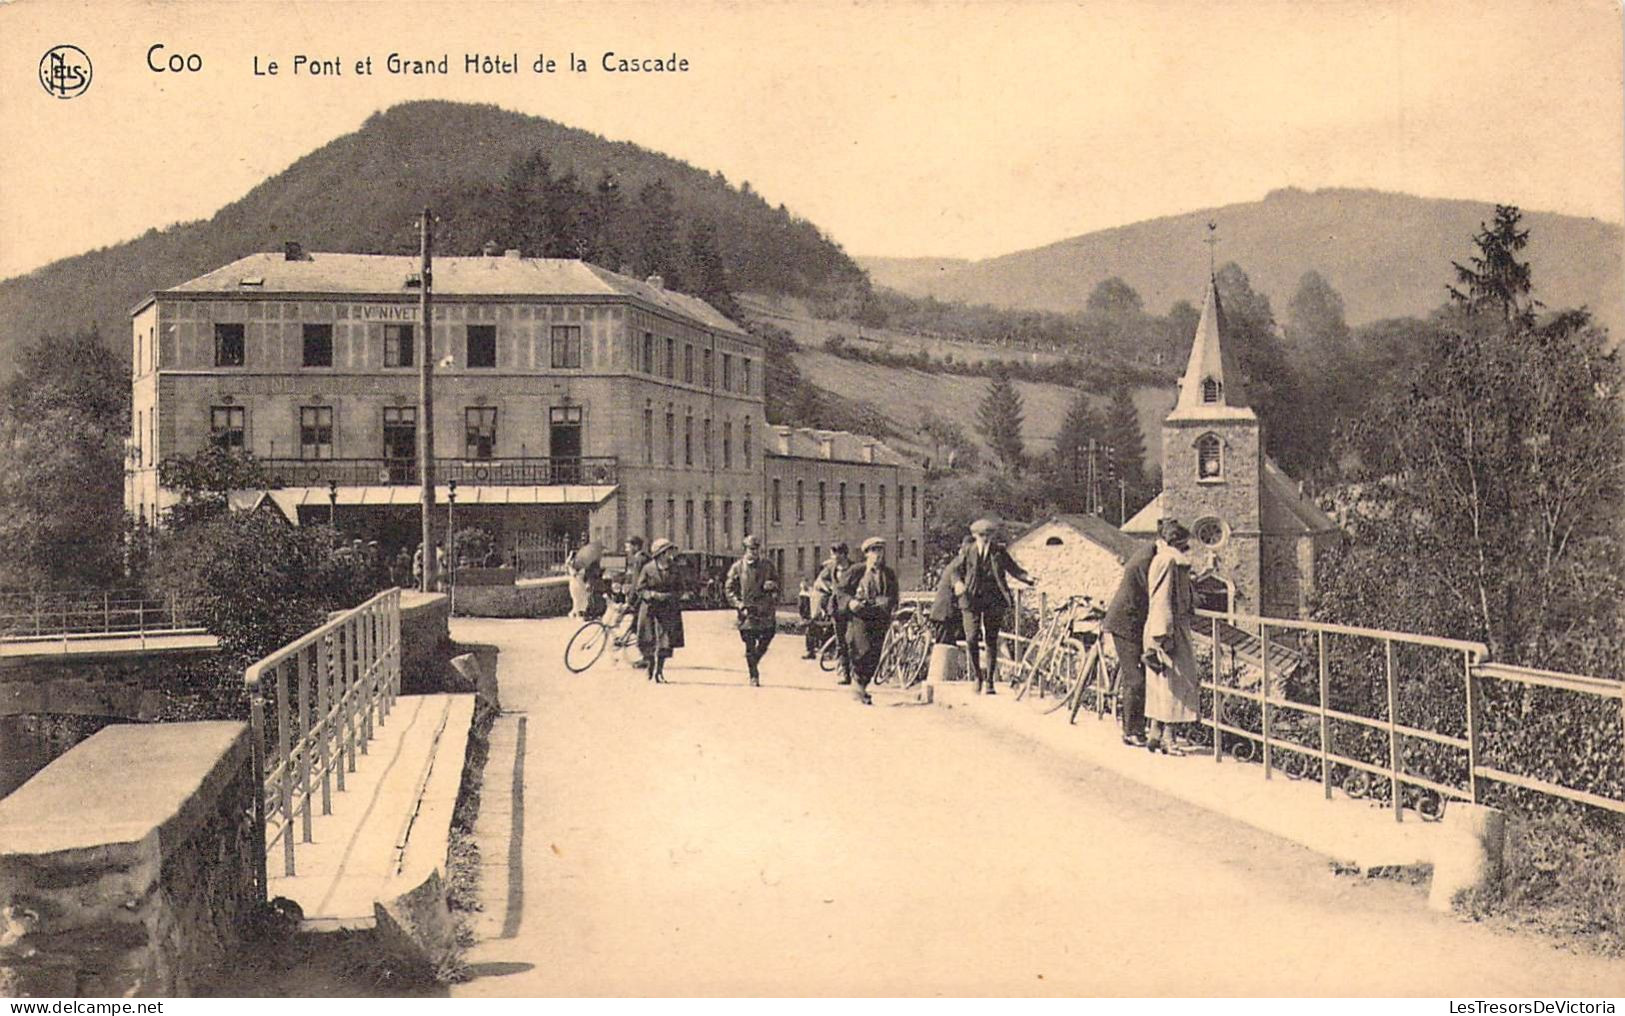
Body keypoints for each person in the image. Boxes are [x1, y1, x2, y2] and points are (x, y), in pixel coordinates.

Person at [948, 518, 1039, 695]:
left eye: (988, 535)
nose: (985, 539)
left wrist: (1027, 578)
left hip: (993, 600)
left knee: (991, 640)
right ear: (975, 536)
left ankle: (989, 681)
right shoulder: (968, 550)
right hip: (971, 600)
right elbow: (954, 571)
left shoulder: (999, 552)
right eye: (981, 535)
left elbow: (1014, 569)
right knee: (971, 638)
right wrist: (958, 583)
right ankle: (977, 676)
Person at [1103, 523, 1166, 747]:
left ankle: (1139, 726)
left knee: (1142, 676)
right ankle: (1131, 731)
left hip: (1136, 622)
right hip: (1125, 624)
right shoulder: (1144, 561)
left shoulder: (1152, 553)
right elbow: (1154, 593)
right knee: (1136, 679)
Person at [1143, 522, 1200, 754]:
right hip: (1168, 628)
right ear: (1177, 541)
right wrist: (1163, 634)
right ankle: (1169, 738)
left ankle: (1155, 733)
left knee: (1161, 683)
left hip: (1162, 627)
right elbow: (1162, 598)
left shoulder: (1162, 559)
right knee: (1176, 683)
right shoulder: (1169, 561)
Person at [837, 537, 898, 705]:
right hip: (860, 618)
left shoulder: (889, 574)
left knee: (875, 655)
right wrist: (850, 602)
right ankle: (857, 685)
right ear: (867, 554)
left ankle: (862, 686)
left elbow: (894, 596)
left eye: (880, 551)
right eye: (874, 551)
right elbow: (841, 591)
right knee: (861, 650)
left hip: (879, 618)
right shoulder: (857, 571)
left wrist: (891, 607)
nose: (878, 555)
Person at [724, 534, 780, 687]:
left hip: (765, 611)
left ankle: (754, 659)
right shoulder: (737, 568)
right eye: (751, 549)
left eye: (757, 549)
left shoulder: (767, 565)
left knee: (767, 637)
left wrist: (773, 586)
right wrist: (738, 604)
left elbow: (777, 583)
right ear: (745, 550)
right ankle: (753, 675)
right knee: (749, 644)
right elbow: (729, 589)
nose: (755, 552)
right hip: (747, 612)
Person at [635, 537, 685, 683]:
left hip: (668, 609)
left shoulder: (675, 568)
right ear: (660, 554)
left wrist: (670, 596)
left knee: (665, 642)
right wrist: (651, 594)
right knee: (648, 640)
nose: (670, 554)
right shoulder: (648, 568)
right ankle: (650, 668)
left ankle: (659, 671)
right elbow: (640, 588)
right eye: (667, 551)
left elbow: (681, 588)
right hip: (650, 609)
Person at [814, 543, 855, 685]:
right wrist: (830, 588)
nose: (832, 557)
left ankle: (855, 671)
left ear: (843, 554)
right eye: (832, 554)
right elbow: (819, 581)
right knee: (840, 642)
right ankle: (845, 673)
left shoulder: (854, 569)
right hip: (836, 609)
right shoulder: (831, 568)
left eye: (835, 554)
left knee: (852, 640)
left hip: (851, 610)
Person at [928, 535, 975, 645]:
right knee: (944, 650)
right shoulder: (960, 563)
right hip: (945, 614)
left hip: (950, 614)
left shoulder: (959, 562)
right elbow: (958, 581)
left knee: (955, 649)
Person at [619, 535, 651, 668]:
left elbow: (637, 583)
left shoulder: (639, 559)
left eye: (628, 546)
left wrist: (630, 601)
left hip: (640, 599)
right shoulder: (645, 558)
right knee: (636, 625)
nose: (626, 549)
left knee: (640, 628)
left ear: (636, 546)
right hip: (644, 598)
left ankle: (646, 657)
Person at [566, 538, 605, 618]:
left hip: (580, 581)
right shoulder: (577, 563)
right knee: (577, 597)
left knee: (582, 597)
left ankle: (580, 611)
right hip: (577, 581)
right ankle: (578, 612)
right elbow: (572, 570)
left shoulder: (586, 561)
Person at [797, 577, 819, 659]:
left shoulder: (810, 592)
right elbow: (801, 607)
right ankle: (811, 651)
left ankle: (812, 651)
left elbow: (806, 606)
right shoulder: (803, 593)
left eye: (805, 582)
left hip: (811, 615)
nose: (804, 585)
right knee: (810, 632)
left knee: (811, 632)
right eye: (803, 583)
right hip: (808, 615)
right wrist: (803, 616)